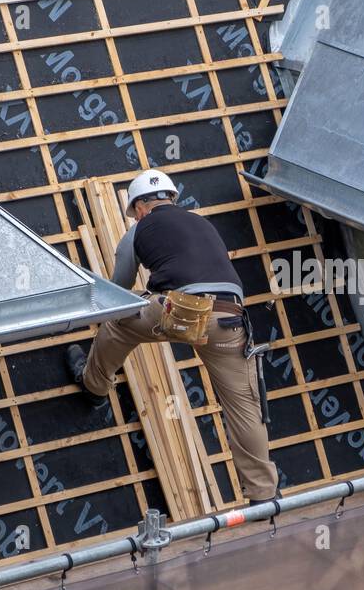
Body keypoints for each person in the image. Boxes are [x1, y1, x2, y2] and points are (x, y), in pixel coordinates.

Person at [65, 169, 280, 505]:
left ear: (139, 207)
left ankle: (94, 386)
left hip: (182, 311)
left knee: (117, 322)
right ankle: (264, 495)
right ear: (170, 198)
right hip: (231, 318)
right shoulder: (203, 224)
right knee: (244, 408)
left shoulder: (138, 231)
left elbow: (118, 290)